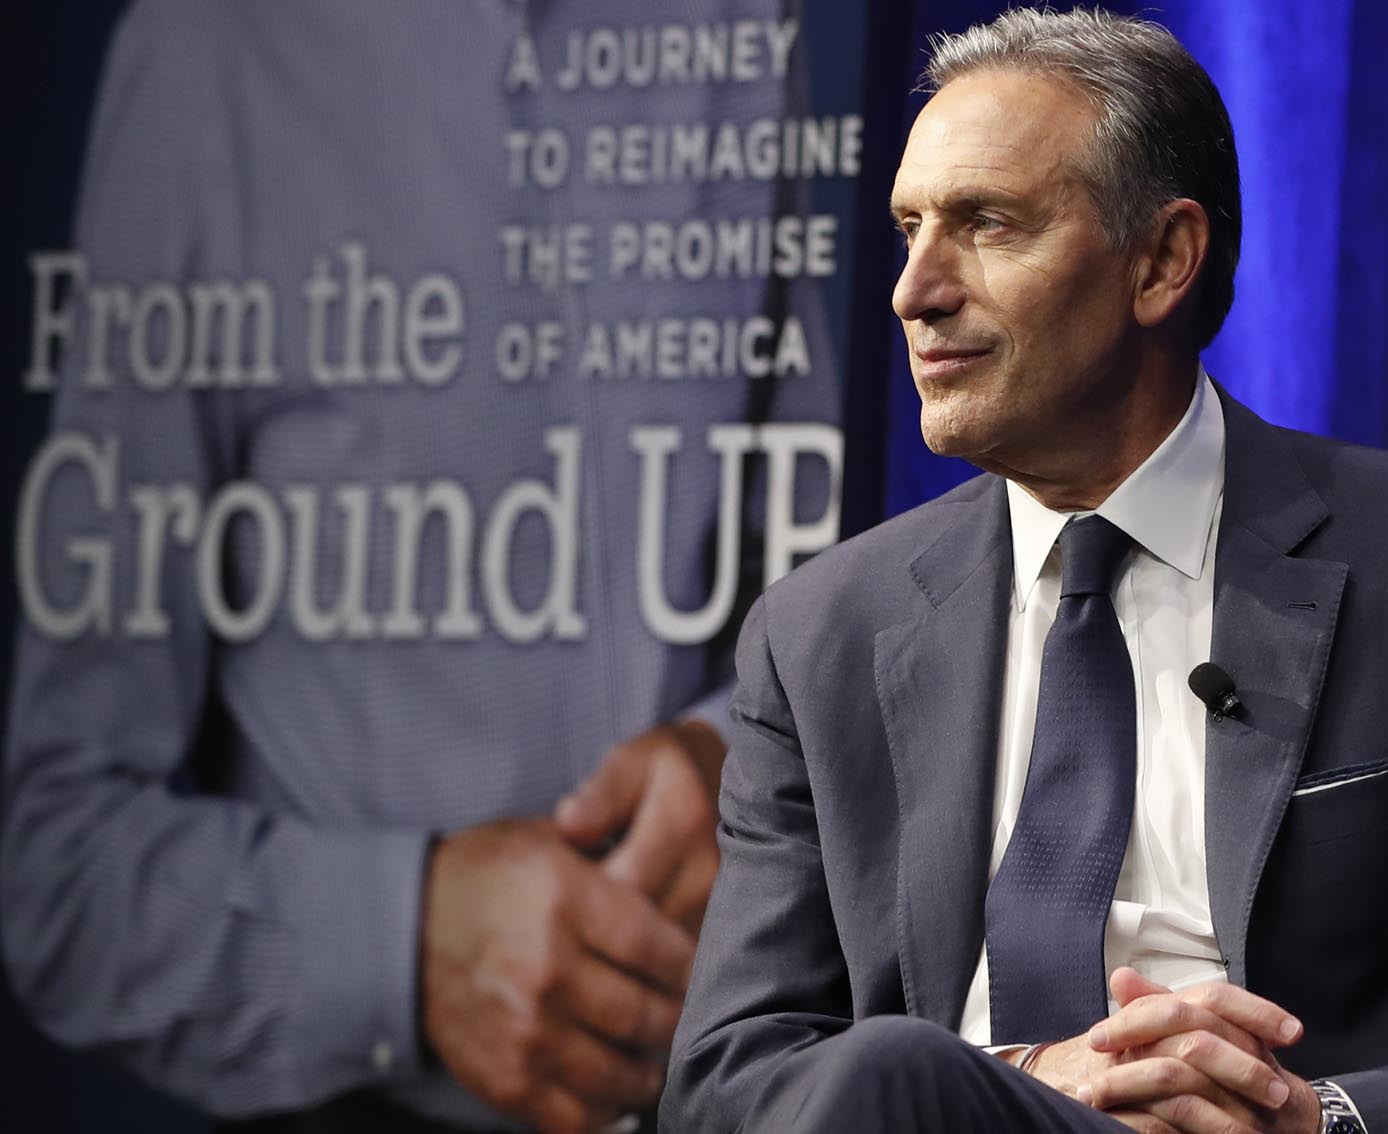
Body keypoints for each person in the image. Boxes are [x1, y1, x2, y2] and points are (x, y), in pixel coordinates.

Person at [660, 9, 1388, 1134]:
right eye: (908, 228)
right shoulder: (818, 635)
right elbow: (725, 1088)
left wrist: (1313, 1118)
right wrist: (1030, 1085)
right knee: (886, 1075)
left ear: (1160, 261)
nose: (915, 290)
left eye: (986, 224)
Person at [2, 2, 839, 1133]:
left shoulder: (736, 25)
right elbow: (59, 871)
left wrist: (723, 753)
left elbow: (816, 591)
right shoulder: (212, 51)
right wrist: (405, 946)